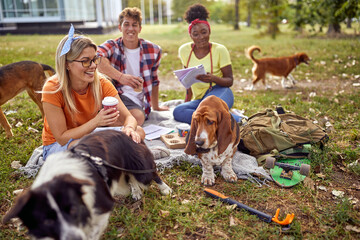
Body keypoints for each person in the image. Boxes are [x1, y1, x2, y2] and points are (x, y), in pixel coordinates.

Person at [41, 24, 145, 161]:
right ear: (67, 64)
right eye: (85, 61)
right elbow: (61, 138)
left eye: (95, 59)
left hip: (87, 137)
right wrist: (96, 122)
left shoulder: (101, 83)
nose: (93, 66)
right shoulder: (52, 88)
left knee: (138, 131)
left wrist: (129, 128)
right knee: (89, 148)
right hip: (60, 145)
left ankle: (115, 155)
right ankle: (121, 156)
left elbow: (129, 117)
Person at [97, 7, 168, 126]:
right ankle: (97, 121)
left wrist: (156, 107)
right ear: (120, 27)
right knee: (136, 118)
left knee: (137, 117)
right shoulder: (112, 45)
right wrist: (121, 77)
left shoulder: (154, 50)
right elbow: (96, 58)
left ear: (140, 28)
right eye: (126, 24)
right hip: (117, 95)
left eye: (134, 25)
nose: (130, 28)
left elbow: (155, 80)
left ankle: (99, 121)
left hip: (139, 101)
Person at [173, 4, 241, 124]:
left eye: (204, 32)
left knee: (211, 110)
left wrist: (213, 78)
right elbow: (187, 82)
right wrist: (186, 102)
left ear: (209, 31)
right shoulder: (184, 51)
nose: (201, 37)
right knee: (178, 111)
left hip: (219, 91)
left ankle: (242, 121)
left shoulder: (220, 50)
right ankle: (214, 119)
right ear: (190, 35)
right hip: (200, 100)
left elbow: (229, 81)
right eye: (196, 34)